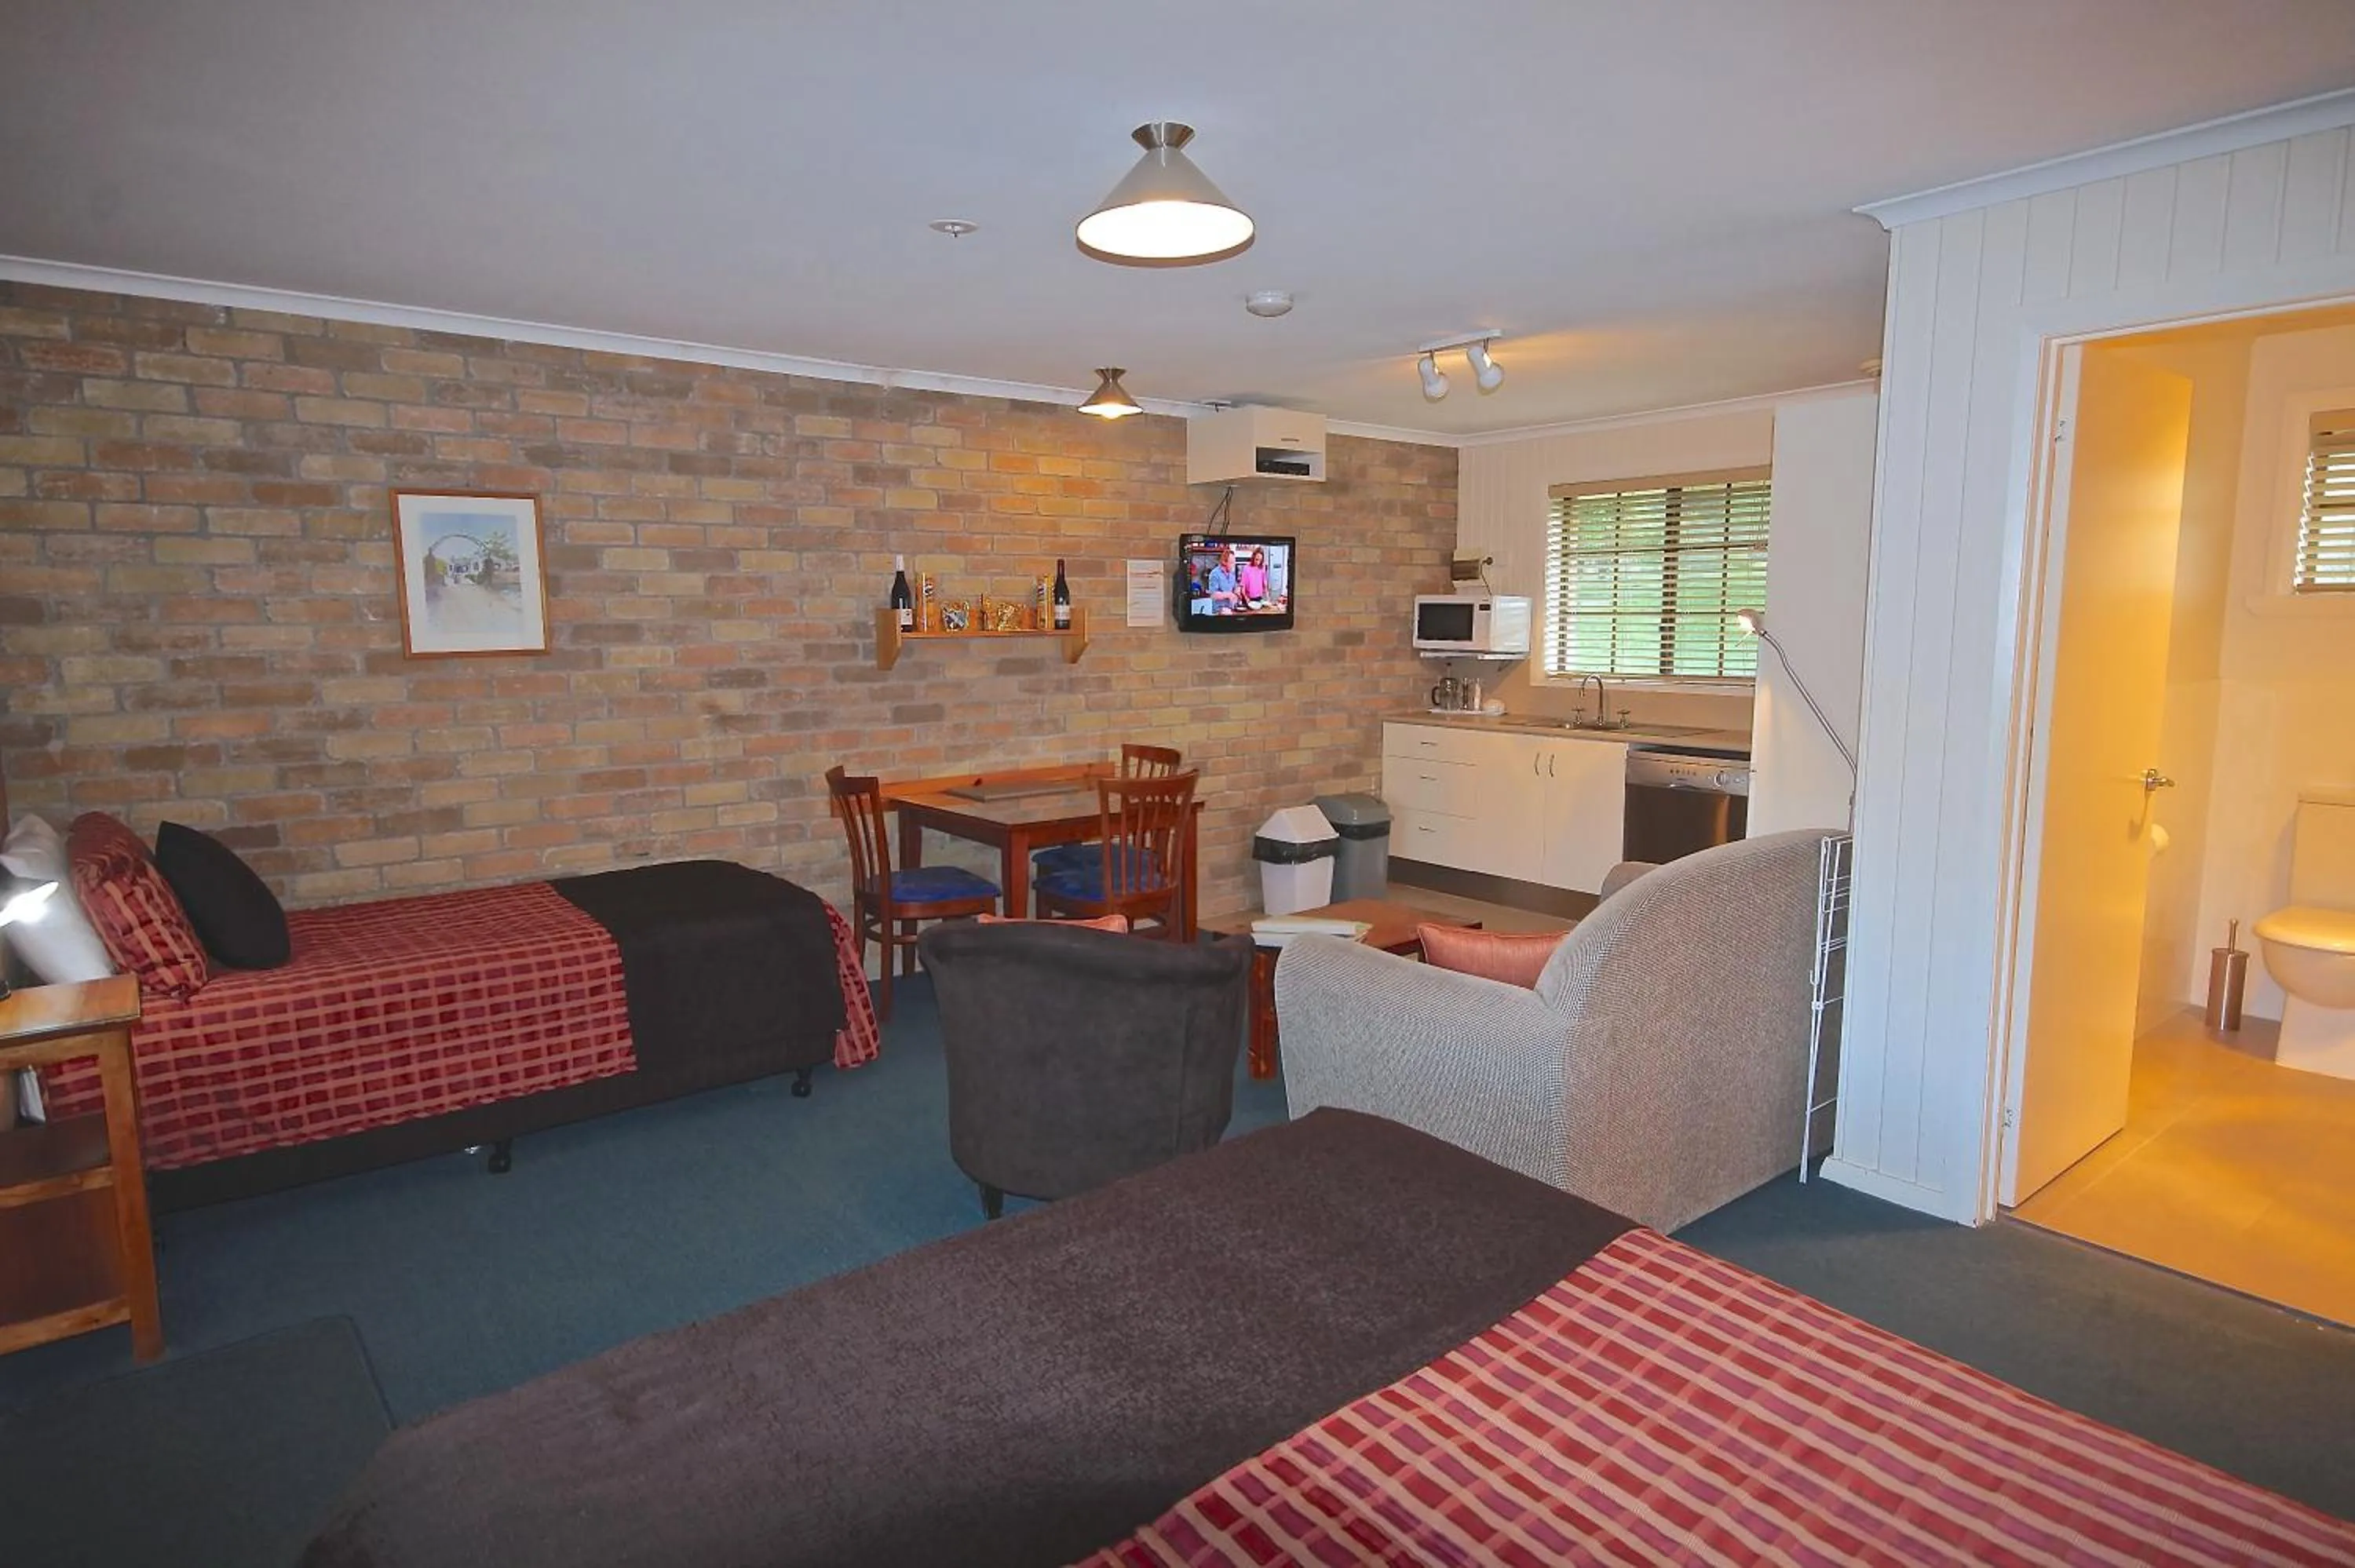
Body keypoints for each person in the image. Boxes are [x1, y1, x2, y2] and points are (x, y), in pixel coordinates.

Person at [1203, 546, 1240, 614]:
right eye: (1232, 563)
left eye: (1234, 562)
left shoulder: (1232, 573)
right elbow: (1213, 595)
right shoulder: (1215, 574)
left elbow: (1235, 587)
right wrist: (1229, 594)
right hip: (1218, 611)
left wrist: (1237, 590)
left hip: (1230, 609)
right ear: (1224, 562)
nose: (1234, 565)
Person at [1236, 545, 1269, 610]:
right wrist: (1246, 598)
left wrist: (1268, 598)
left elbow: (1264, 583)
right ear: (1253, 557)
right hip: (1248, 598)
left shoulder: (1262, 568)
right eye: (1256, 559)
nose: (1258, 562)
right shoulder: (1246, 568)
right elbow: (1243, 585)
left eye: (1260, 560)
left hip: (1259, 598)